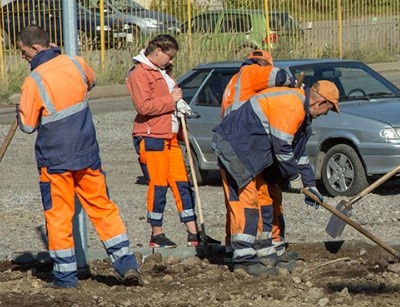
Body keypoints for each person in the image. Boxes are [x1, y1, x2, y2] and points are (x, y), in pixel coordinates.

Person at [14, 25, 142, 288]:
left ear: (36, 48)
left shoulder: (34, 81)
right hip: (87, 154)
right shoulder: (76, 63)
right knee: (103, 209)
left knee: (59, 216)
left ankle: (65, 277)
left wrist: (20, 111)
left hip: (55, 161)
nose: (22, 56)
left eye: (23, 51)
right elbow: (90, 82)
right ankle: (126, 263)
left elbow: (27, 126)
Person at [211, 80, 339, 276]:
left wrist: (310, 183)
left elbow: (299, 152)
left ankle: (265, 256)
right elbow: (282, 149)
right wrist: (294, 177)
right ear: (320, 103)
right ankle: (244, 259)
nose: (325, 115)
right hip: (235, 149)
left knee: (264, 201)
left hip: (252, 154)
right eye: (327, 110)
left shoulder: (303, 114)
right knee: (247, 204)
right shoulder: (292, 106)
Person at [126, 34, 216, 249]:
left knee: (182, 184)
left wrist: (179, 106)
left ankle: (194, 234)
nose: (172, 61)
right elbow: (144, 107)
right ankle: (156, 233)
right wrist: (171, 100)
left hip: (170, 137)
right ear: (157, 52)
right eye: (169, 56)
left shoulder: (162, 73)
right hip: (151, 137)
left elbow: (169, 100)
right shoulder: (139, 74)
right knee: (158, 185)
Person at [220, 49, 297, 263]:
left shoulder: (235, 82)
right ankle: (249, 250)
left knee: (246, 200)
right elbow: (278, 76)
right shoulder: (252, 73)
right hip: (246, 145)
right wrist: (291, 83)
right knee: (249, 199)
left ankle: (251, 245)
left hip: (240, 143)